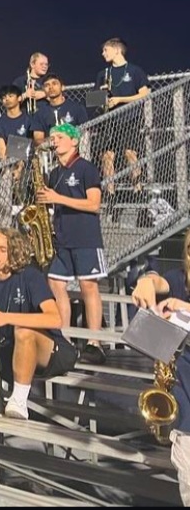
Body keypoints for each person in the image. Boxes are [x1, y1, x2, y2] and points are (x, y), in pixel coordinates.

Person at [0, 228, 77, 420]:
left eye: (3, 249)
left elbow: (55, 318)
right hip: (7, 349)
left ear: (14, 252)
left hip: (51, 349)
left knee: (24, 332)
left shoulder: (29, 276)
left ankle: (19, 400)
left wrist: (6, 317)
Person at [130, 230, 190, 505]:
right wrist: (146, 282)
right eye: (189, 249)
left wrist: (183, 307)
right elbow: (159, 281)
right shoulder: (179, 279)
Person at [41, 123, 107, 365]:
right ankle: (64, 338)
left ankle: (94, 342)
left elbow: (94, 204)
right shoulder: (55, 173)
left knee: (89, 286)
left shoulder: (86, 168)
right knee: (55, 283)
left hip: (86, 237)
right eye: (52, 137)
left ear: (74, 141)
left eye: (59, 137)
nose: (54, 141)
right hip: (63, 239)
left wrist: (58, 198)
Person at [94, 37, 150, 193]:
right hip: (108, 121)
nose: (103, 53)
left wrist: (120, 99)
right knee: (107, 156)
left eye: (106, 50)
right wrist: (103, 98)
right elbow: (92, 99)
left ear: (117, 50)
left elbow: (145, 94)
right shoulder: (103, 74)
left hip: (129, 118)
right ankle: (110, 193)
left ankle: (138, 189)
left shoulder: (134, 71)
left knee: (130, 153)